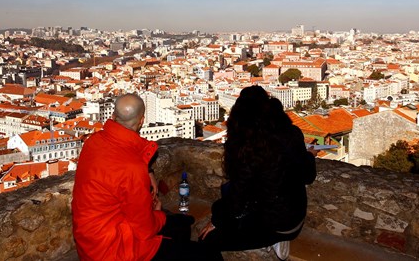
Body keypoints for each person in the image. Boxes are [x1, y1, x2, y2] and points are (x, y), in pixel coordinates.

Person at [72, 93, 222, 261]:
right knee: (207, 252)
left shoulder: (93, 142)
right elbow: (144, 229)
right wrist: (158, 215)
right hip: (117, 248)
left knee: (180, 224)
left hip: (90, 241)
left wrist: (147, 170)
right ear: (142, 121)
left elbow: (123, 152)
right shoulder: (131, 169)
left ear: (113, 116)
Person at [199, 85, 317, 258]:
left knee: (207, 241)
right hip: (295, 220)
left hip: (272, 223)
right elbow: (308, 176)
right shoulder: (292, 133)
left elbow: (239, 199)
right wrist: (308, 156)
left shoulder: (247, 147)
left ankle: (272, 239)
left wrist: (218, 220)